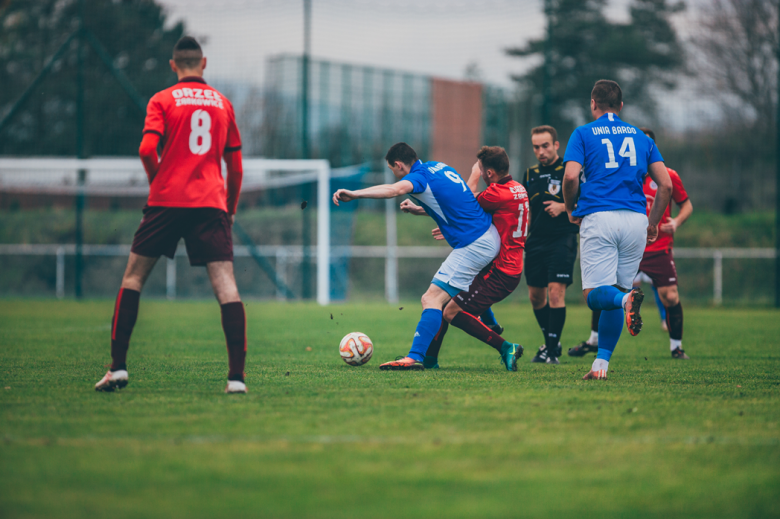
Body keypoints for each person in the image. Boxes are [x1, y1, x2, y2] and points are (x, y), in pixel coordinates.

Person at [95, 37, 248, 394]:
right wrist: (231, 208)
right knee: (226, 285)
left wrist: (158, 182)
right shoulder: (223, 103)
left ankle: (117, 368)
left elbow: (147, 148)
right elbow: (235, 166)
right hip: (211, 202)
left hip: (166, 201)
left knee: (133, 278)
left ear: (173, 65)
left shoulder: (162, 99)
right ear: (204, 63)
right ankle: (236, 379)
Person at [332, 143, 501, 370]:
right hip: (486, 234)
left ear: (399, 165)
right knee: (452, 294)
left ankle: (414, 357)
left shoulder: (418, 177)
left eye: (393, 169)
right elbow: (453, 201)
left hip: (474, 243)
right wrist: (419, 209)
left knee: (431, 299)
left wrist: (355, 194)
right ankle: (490, 322)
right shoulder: (439, 167)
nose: (395, 174)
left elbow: (393, 190)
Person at [562, 80, 672, 381]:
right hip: (636, 220)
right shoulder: (640, 136)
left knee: (594, 294)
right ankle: (601, 366)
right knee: (616, 291)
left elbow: (571, 176)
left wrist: (571, 208)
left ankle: (626, 301)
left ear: (593, 103)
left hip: (600, 217)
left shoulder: (583, 133)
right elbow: (666, 185)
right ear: (621, 106)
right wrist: (653, 223)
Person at [570, 128, 692, 360]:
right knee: (607, 288)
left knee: (669, 296)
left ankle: (676, 347)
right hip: (630, 238)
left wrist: (675, 222)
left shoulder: (668, 175)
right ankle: (595, 341)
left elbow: (686, 204)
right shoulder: (625, 174)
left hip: (656, 247)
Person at [419, 146, 528, 371]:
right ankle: (430, 359)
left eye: (481, 168)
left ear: (489, 173)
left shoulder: (496, 193)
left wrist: (473, 175)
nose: (479, 171)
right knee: (445, 299)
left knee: (450, 312)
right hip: (506, 265)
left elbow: (462, 202)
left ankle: (506, 346)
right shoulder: (518, 188)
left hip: (500, 271)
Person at [521, 126, 580, 365]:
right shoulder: (530, 173)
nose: (540, 151)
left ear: (556, 145)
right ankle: (550, 344)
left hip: (562, 238)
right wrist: (522, 234)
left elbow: (587, 201)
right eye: (536, 147)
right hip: (535, 241)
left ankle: (552, 350)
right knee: (536, 297)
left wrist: (564, 207)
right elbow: (525, 208)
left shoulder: (571, 170)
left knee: (556, 293)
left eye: (545, 145)